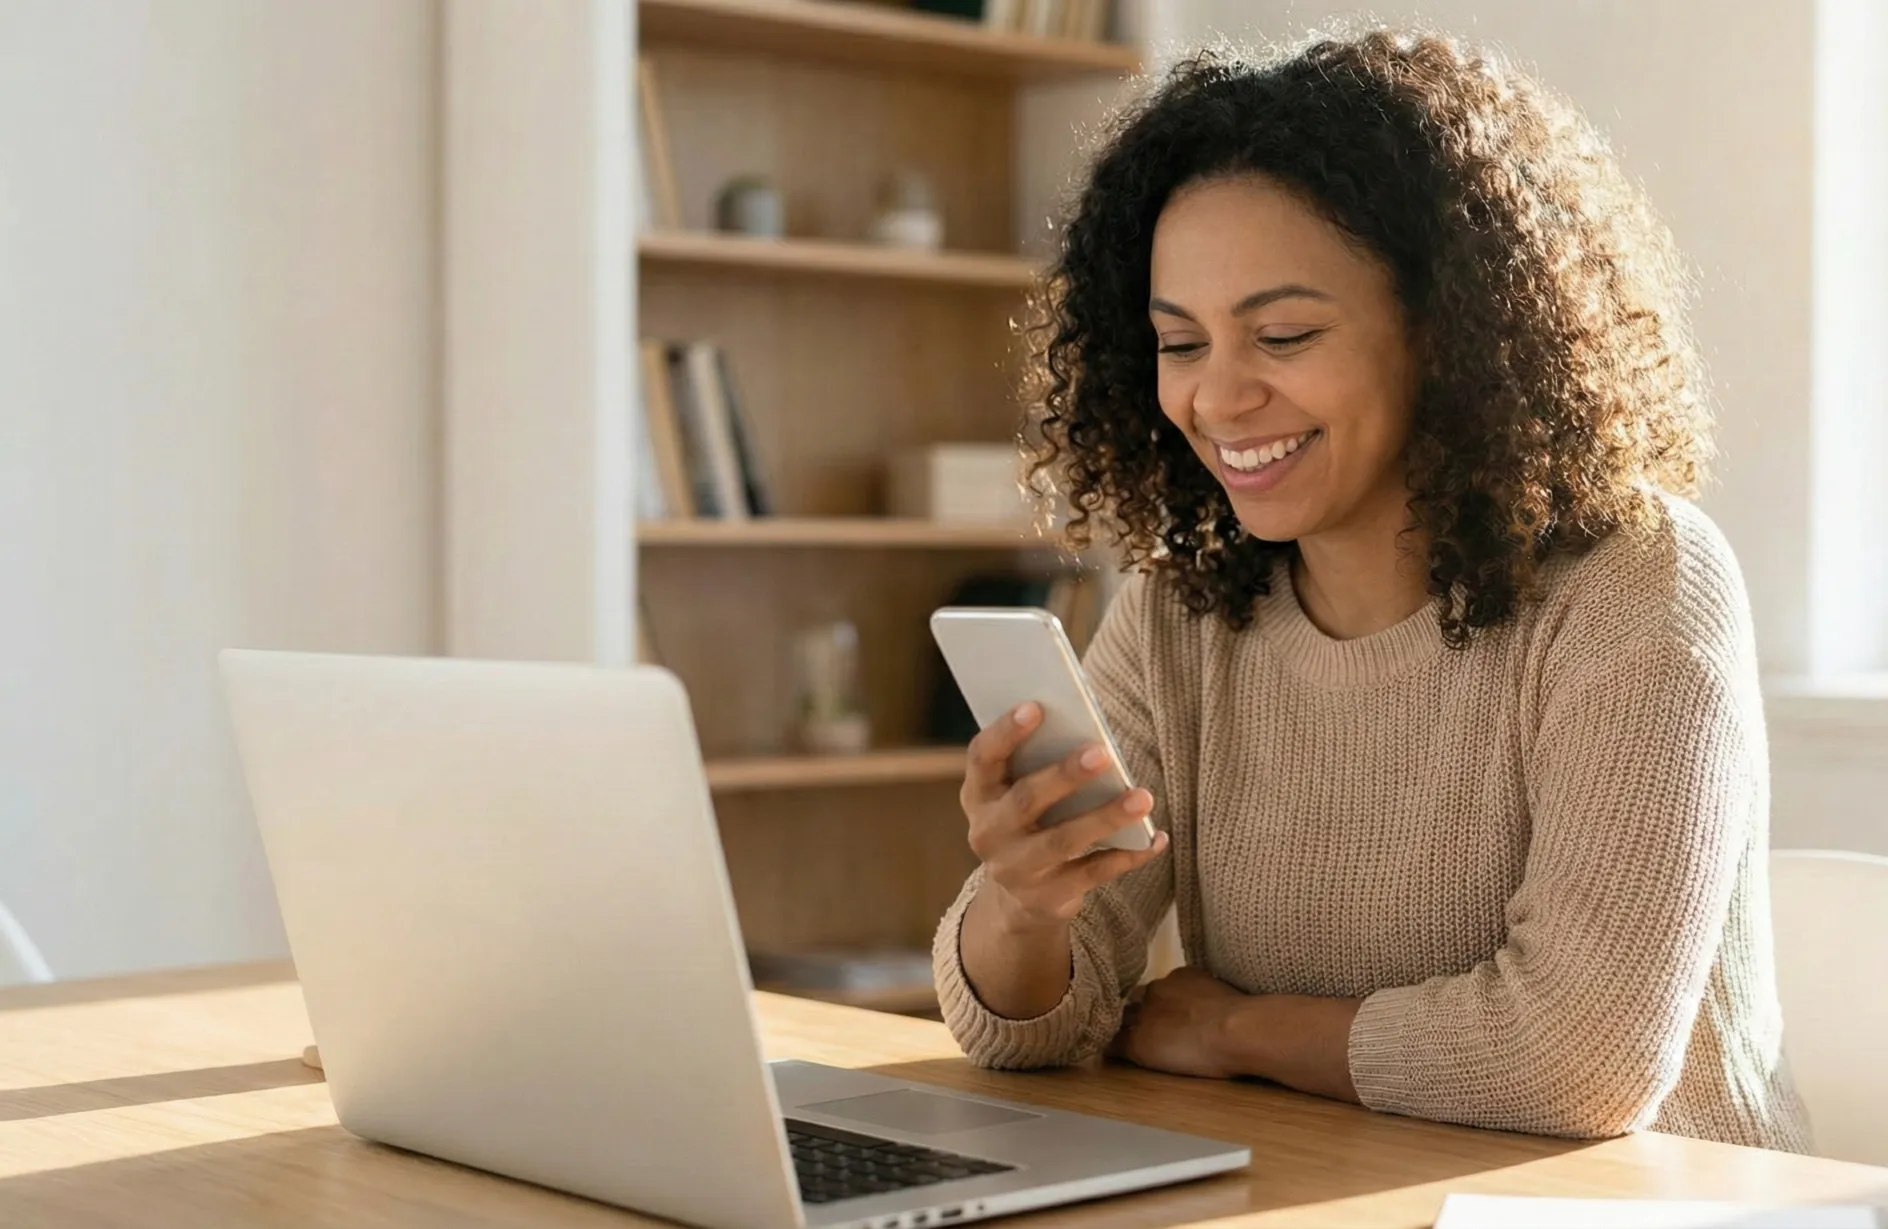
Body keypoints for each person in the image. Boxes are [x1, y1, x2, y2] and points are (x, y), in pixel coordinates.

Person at [930, 30, 1811, 1152]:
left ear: (1448, 329)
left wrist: (1238, 1031)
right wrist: (1023, 903)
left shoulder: (1638, 578)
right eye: (1179, 342)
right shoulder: (1184, 608)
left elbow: (1581, 1061)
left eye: (1284, 333)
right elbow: (1025, 1029)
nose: (1218, 395)